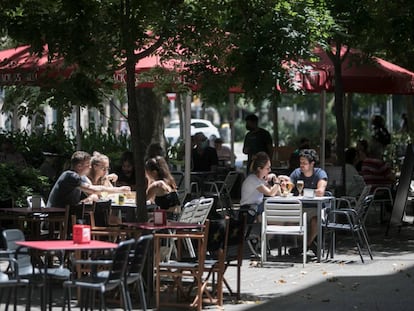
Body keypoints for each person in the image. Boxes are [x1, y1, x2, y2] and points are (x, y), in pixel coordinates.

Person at [47, 151, 131, 208]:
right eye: (88, 165)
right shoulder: (70, 176)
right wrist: (119, 189)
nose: (90, 167)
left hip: (68, 212)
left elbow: (96, 192)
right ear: (79, 166)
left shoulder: (78, 177)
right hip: (58, 214)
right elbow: (93, 189)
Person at [289, 149, 328, 256]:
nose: (302, 165)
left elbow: (320, 192)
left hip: (317, 208)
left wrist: (304, 192)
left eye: (304, 163)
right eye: (301, 162)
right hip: (300, 208)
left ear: (312, 164)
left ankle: (304, 246)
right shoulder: (296, 173)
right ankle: (310, 245)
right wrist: (284, 184)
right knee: (289, 221)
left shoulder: (320, 173)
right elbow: (288, 187)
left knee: (316, 221)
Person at [240, 152, 283, 223]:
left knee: (277, 214)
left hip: (256, 210)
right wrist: (277, 182)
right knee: (277, 216)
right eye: (267, 168)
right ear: (259, 169)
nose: (269, 170)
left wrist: (275, 178)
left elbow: (277, 193)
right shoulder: (253, 179)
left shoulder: (260, 180)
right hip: (248, 211)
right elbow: (271, 193)